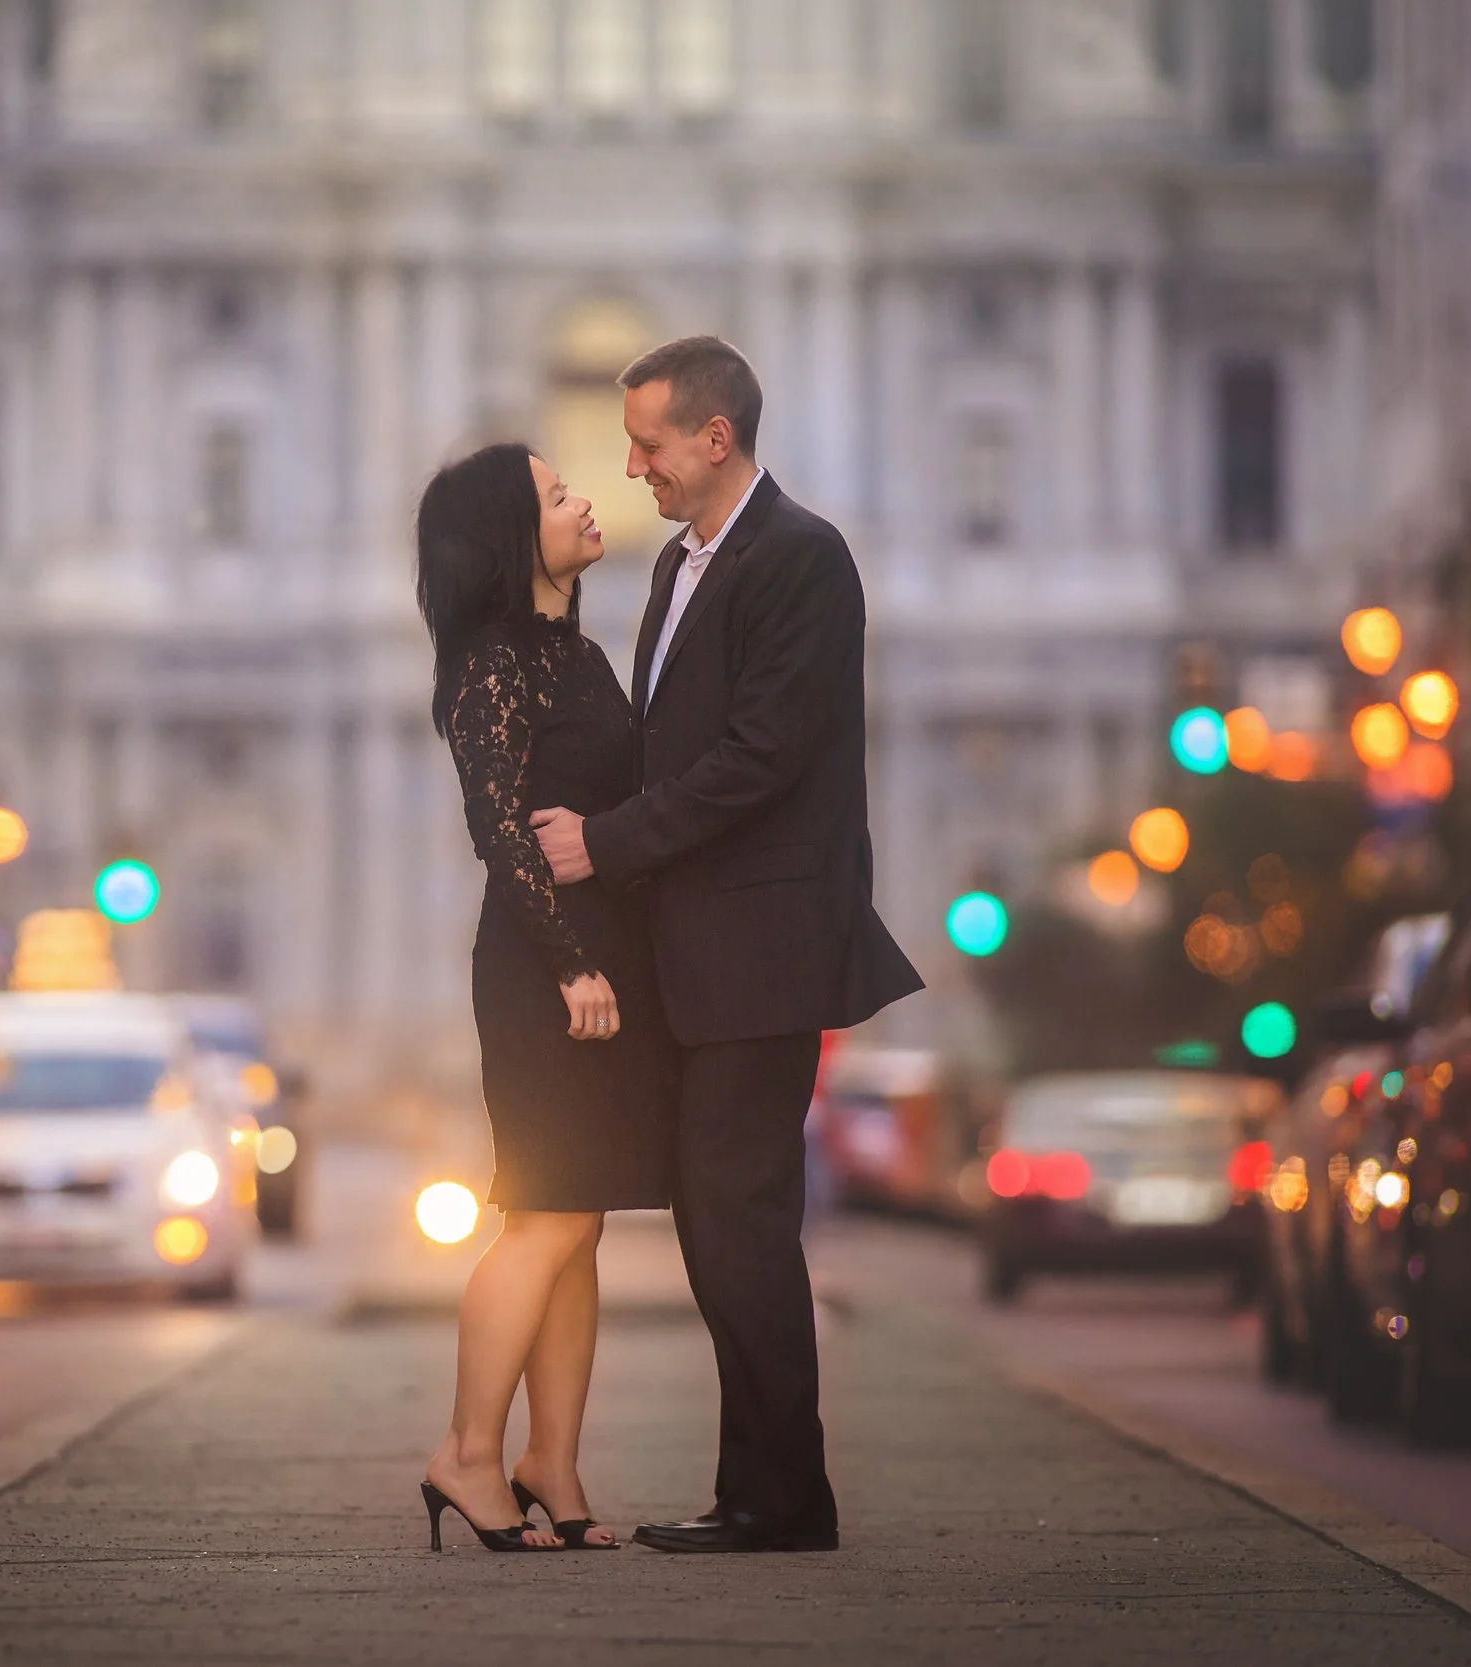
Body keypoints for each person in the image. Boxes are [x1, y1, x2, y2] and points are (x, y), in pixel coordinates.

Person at [531, 336, 923, 1553]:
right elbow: (667, 736)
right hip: (703, 952)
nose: (632, 463)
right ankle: (756, 1486)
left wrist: (610, 842)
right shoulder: (680, 567)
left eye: (648, 441)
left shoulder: (799, 557)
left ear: (714, 437)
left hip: (763, 944)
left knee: (737, 1216)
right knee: (718, 1218)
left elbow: (761, 755)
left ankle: (781, 1498)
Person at [413, 441, 680, 1553]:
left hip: (598, 966)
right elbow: (499, 827)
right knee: (546, 1217)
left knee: (578, 1226)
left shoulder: (570, 652)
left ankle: (551, 1463)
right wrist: (571, 961)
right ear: (513, 538)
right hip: (545, 971)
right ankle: (467, 1452)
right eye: (556, 493)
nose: (584, 499)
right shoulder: (494, 660)